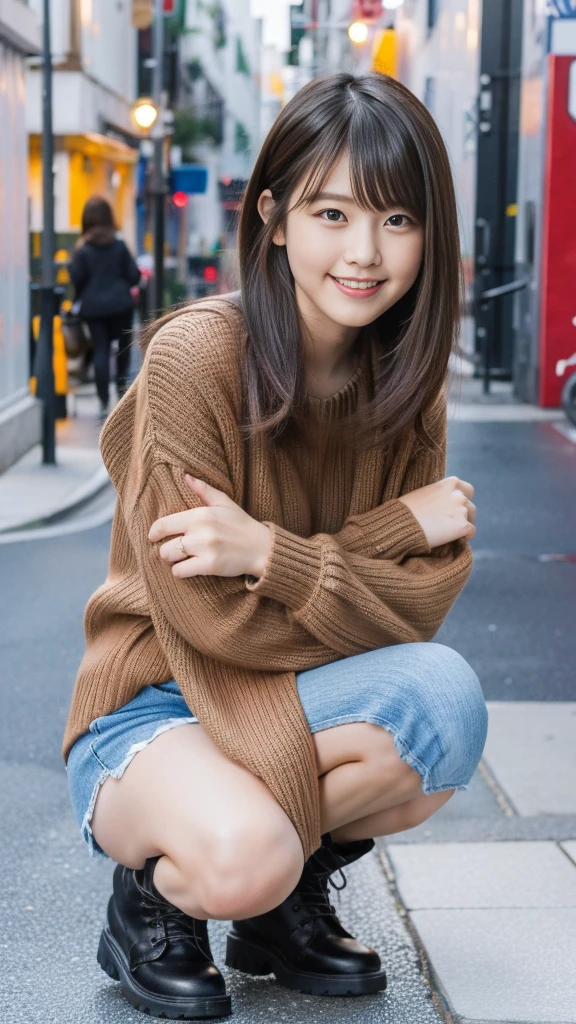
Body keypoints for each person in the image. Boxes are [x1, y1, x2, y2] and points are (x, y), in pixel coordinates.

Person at [64, 72, 487, 1020]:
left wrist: (265, 551)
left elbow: (419, 608)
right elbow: (210, 622)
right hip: (156, 703)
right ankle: (154, 899)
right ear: (275, 217)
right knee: (247, 856)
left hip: (280, 694)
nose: (366, 253)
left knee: (443, 701)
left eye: (399, 221)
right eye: (333, 213)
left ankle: (274, 903)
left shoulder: (407, 386)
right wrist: (368, 540)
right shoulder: (195, 360)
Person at [69, 196, 141, 420]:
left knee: (100, 350)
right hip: (121, 305)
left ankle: (102, 402)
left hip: (94, 308)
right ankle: (121, 398)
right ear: (110, 218)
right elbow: (134, 276)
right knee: (123, 351)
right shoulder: (119, 246)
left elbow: (76, 278)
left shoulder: (83, 249)